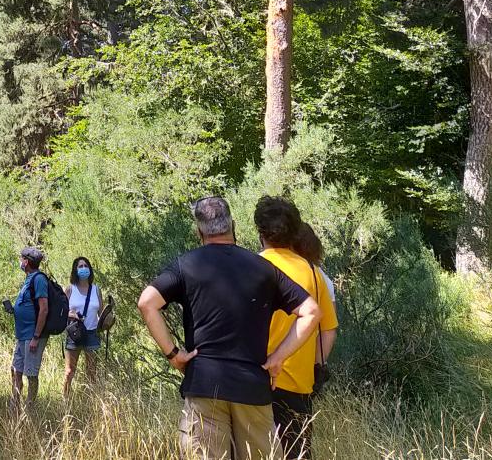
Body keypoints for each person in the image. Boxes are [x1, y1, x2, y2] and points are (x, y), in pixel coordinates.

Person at [138, 195, 321, 460]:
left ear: (198, 230)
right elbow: (311, 312)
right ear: (232, 225)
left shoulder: (186, 265)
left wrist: (173, 355)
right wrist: (277, 358)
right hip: (252, 385)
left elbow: (147, 303)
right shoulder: (264, 269)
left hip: (204, 383)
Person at [257, 201, 341, 460]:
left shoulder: (249, 266)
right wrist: (317, 367)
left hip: (254, 377)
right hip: (297, 384)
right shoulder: (314, 274)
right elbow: (328, 330)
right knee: (297, 453)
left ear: (261, 232)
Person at [7, 245, 51, 412]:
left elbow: (44, 308)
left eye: (22, 259)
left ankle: (30, 408)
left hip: (32, 336)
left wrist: (36, 336)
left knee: (31, 374)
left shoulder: (39, 279)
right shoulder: (28, 279)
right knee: (16, 369)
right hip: (22, 335)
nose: (20, 262)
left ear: (26, 261)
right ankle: (15, 403)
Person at [63, 255, 103, 397]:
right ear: (75, 270)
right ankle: (65, 399)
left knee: (92, 371)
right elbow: (61, 311)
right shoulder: (70, 289)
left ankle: (90, 401)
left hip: (92, 333)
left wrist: (109, 320)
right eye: (80, 266)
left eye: (86, 266)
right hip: (75, 332)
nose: (83, 269)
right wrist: (71, 315)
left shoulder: (96, 290)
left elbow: (101, 313)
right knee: (69, 371)